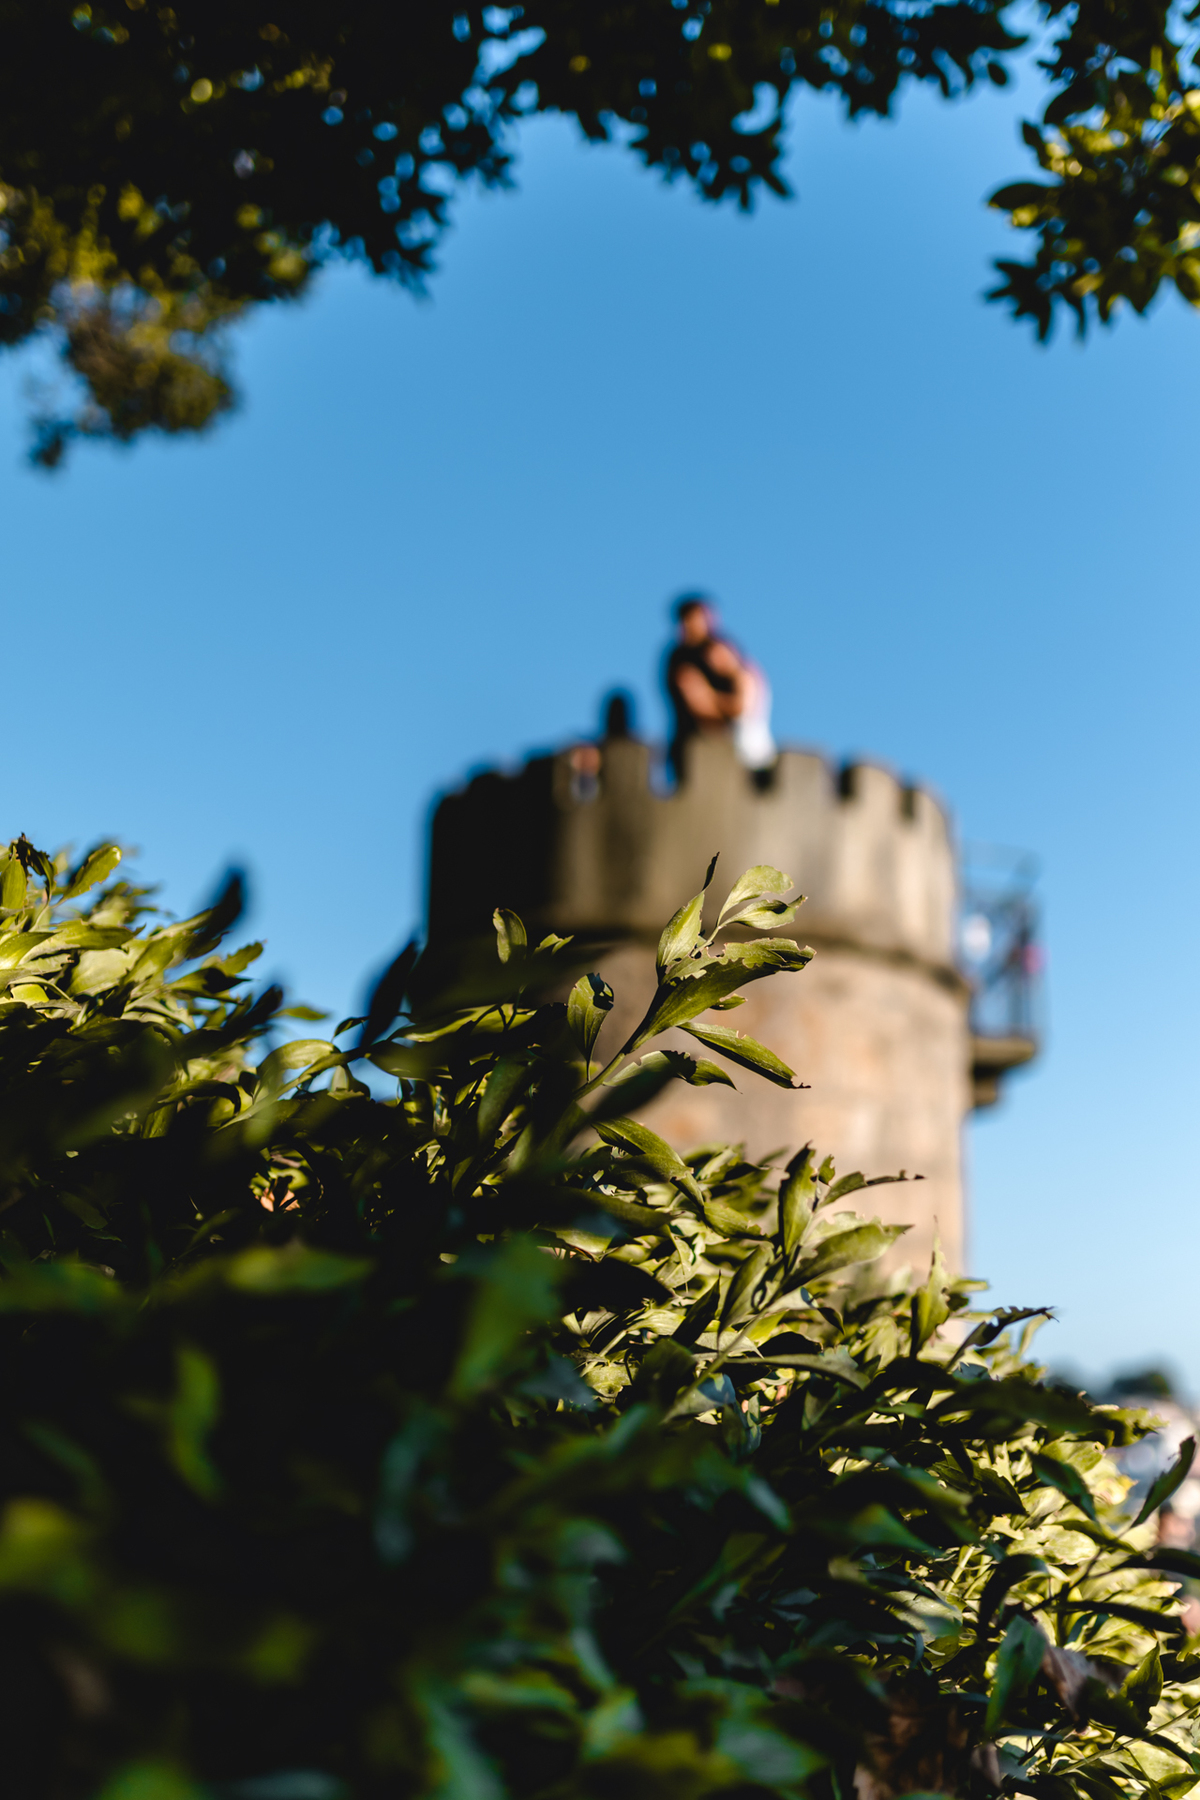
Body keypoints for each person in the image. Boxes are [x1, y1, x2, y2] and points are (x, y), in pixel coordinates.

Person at [664, 594, 775, 778]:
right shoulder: (679, 659)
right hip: (697, 746)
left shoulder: (742, 672)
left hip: (745, 753)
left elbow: (740, 707)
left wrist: (709, 696)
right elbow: (694, 704)